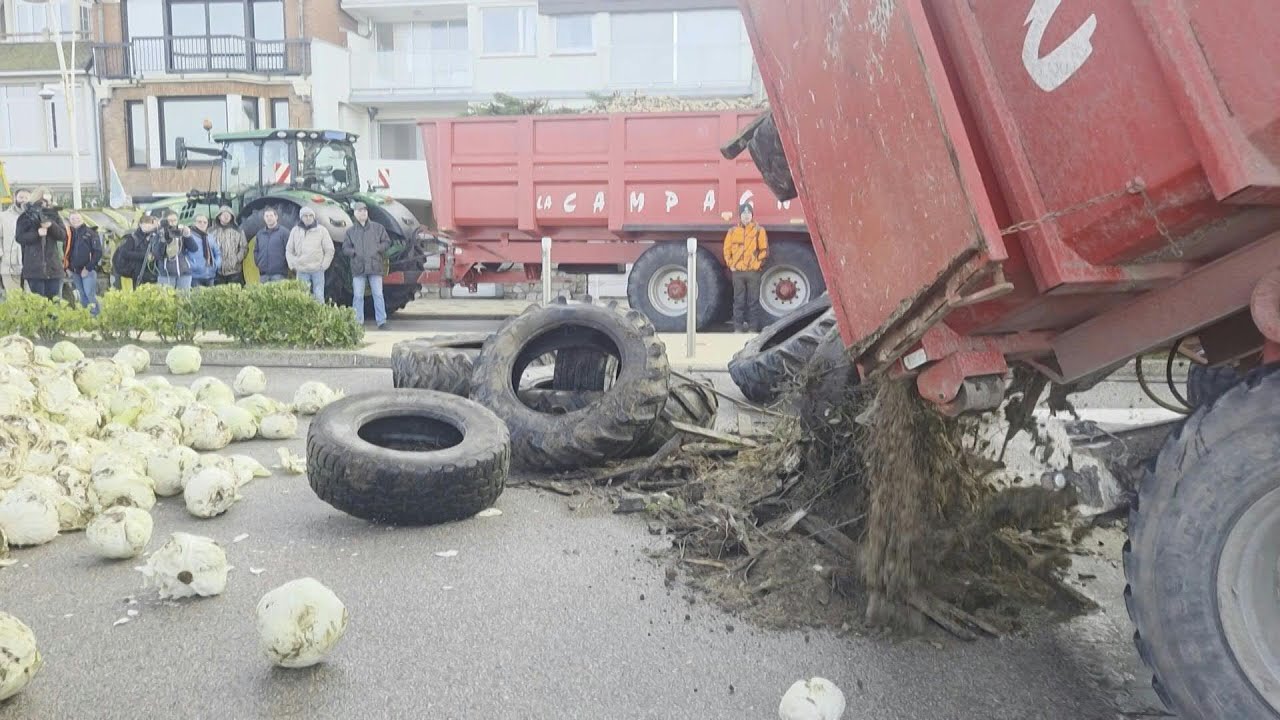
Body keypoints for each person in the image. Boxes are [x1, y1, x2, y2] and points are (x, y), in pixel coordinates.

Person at [342, 201, 391, 329]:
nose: (363, 213)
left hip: (375, 267)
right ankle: (357, 322)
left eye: (364, 210)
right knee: (358, 296)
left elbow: (387, 242)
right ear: (355, 214)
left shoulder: (378, 228)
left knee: (378, 294)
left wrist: (378, 249)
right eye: (360, 211)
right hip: (359, 267)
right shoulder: (350, 232)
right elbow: (345, 248)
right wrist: (354, 253)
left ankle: (382, 321)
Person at [722, 201, 769, 332]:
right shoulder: (732, 231)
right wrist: (731, 265)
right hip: (738, 272)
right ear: (740, 216)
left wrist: (757, 264)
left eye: (749, 213)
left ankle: (753, 328)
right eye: (744, 213)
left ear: (752, 215)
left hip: (753, 272)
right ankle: (737, 327)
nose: (746, 216)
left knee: (753, 301)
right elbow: (727, 250)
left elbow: (764, 250)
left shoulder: (759, 231)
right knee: (738, 300)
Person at [15, 187, 67, 300]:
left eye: (49, 200)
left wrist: (51, 225)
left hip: (53, 268)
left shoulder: (55, 215)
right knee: (39, 305)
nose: (46, 203)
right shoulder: (25, 216)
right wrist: (36, 233)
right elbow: (19, 237)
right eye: (43, 200)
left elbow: (63, 236)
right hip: (34, 269)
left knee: (54, 304)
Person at [285, 207, 333, 302]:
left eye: (310, 215)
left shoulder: (322, 231)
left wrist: (323, 266)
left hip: (317, 270)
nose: (308, 218)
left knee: (319, 296)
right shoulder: (295, 231)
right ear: (301, 217)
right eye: (305, 216)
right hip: (302, 270)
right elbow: (289, 250)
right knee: (303, 297)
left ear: (314, 217)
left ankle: (319, 316)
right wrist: (293, 265)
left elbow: (330, 249)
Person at [65, 212, 103, 315]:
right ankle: (86, 318)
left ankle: (96, 317)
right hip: (74, 271)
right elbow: (67, 251)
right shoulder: (69, 234)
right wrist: (67, 268)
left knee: (90, 294)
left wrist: (88, 268)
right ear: (69, 221)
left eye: (77, 218)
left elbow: (98, 252)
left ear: (82, 219)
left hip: (88, 271)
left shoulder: (91, 233)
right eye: (73, 219)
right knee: (82, 295)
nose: (75, 220)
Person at [152, 212, 198, 290]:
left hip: (184, 272)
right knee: (167, 299)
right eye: (170, 220)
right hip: (166, 273)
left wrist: (188, 236)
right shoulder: (159, 233)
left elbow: (194, 248)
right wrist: (163, 239)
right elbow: (157, 254)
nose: (172, 223)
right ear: (165, 221)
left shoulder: (181, 232)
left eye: (175, 220)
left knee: (183, 299)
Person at [0, 188, 31, 296]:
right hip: (10, 265)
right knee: (15, 303)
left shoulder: (35, 216)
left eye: (26, 198)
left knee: (32, 302)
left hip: (32, 264)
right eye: (21, 197)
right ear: (15, 198)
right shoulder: (3, 216)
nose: (23, 200)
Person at [114, 214, 158, 288]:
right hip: (132, 273)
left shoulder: (155, 236)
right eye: (145, 223)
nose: (148, 226)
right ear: (140, 224)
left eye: (150, 223)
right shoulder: (132, 237)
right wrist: (145, 256)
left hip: (148, 273)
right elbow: (124, 253)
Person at [210, 206, 247, 285]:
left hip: (234, 271)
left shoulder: (238, 231)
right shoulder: (212, 232)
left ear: (232, 217)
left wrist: (236, 259)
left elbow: (244, 247)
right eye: (224, 215)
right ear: (219, 216)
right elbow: (208, 248)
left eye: (228, 215)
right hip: (218, 271)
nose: (226, 217)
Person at [253, 208, 290, 283]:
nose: (269, 218)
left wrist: (284, 265)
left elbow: (289, 250)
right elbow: (256, 250)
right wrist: (258, 263)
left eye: (271, 216)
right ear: (264, 218)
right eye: (267, 216)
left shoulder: (284, 232)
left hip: (279, 274)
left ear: (276, 217)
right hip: (263, 274)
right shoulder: (260, 234)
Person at [186, 214, 222, 288]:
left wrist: (217, 264)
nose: (202, 224)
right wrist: (193, 266)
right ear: (194, 223)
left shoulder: (210, 237)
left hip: (210, 275)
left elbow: (218, 253)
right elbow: (184, 254)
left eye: (205, 222)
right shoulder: (188, 237)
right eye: (199, 222)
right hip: (195, 276)